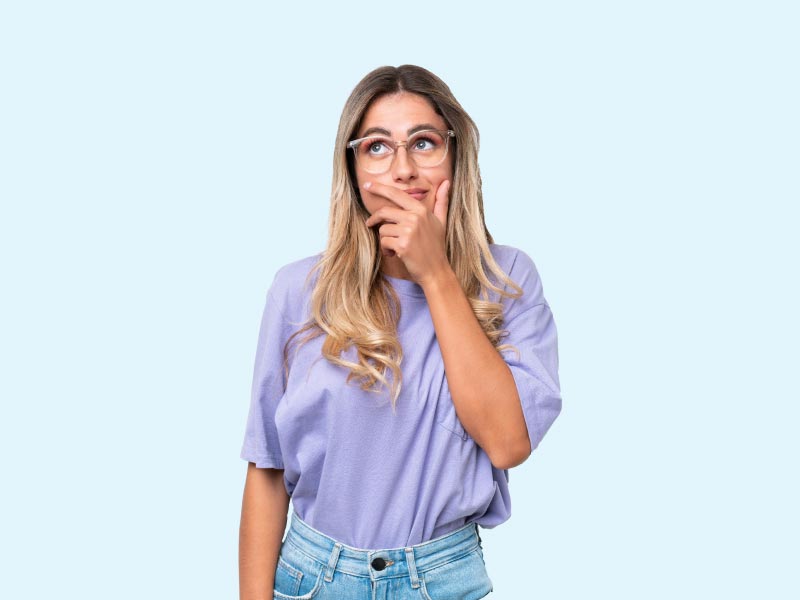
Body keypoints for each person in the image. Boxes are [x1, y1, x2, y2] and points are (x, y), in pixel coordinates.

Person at [238, 64, 562, 600]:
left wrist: (435, 274)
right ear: (353, 166)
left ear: (457, 156)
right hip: (311, 579)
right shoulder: (298, 289)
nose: (404, 168)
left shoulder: (508, 280)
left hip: (441, 580)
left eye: (425, 143)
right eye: (379, 147)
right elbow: (266, 469)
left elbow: (507, 443)